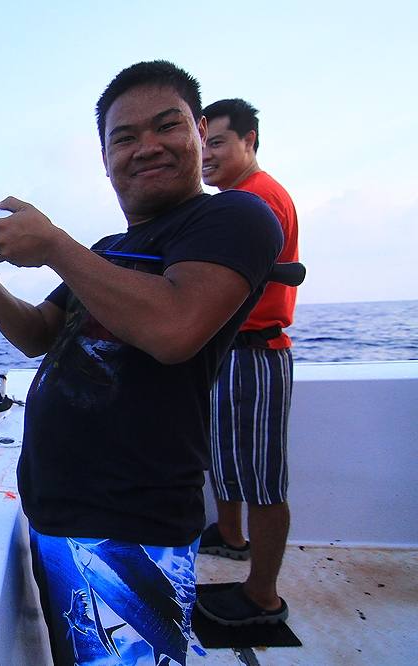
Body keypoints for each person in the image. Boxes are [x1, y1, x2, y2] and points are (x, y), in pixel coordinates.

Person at [0, 61, 282, 665]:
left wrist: (54, 246)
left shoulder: (234, 217)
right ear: (104, 157)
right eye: (124, 137)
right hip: (55, 509)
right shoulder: (109, 252)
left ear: (199, 132)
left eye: (165, 126)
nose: (145, 148)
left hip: (131, 527)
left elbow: (175, 329)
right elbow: (39, 334)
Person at [195, 98, 299, 627]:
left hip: (255, 354)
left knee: (261, 478)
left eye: (216, 142)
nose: (204, 155)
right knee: (224, 456)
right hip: (228, 355)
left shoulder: (256, 200)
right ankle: (232, 537)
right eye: (201, 142)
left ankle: (262, 598)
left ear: (250, 140)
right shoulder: (235, 200)